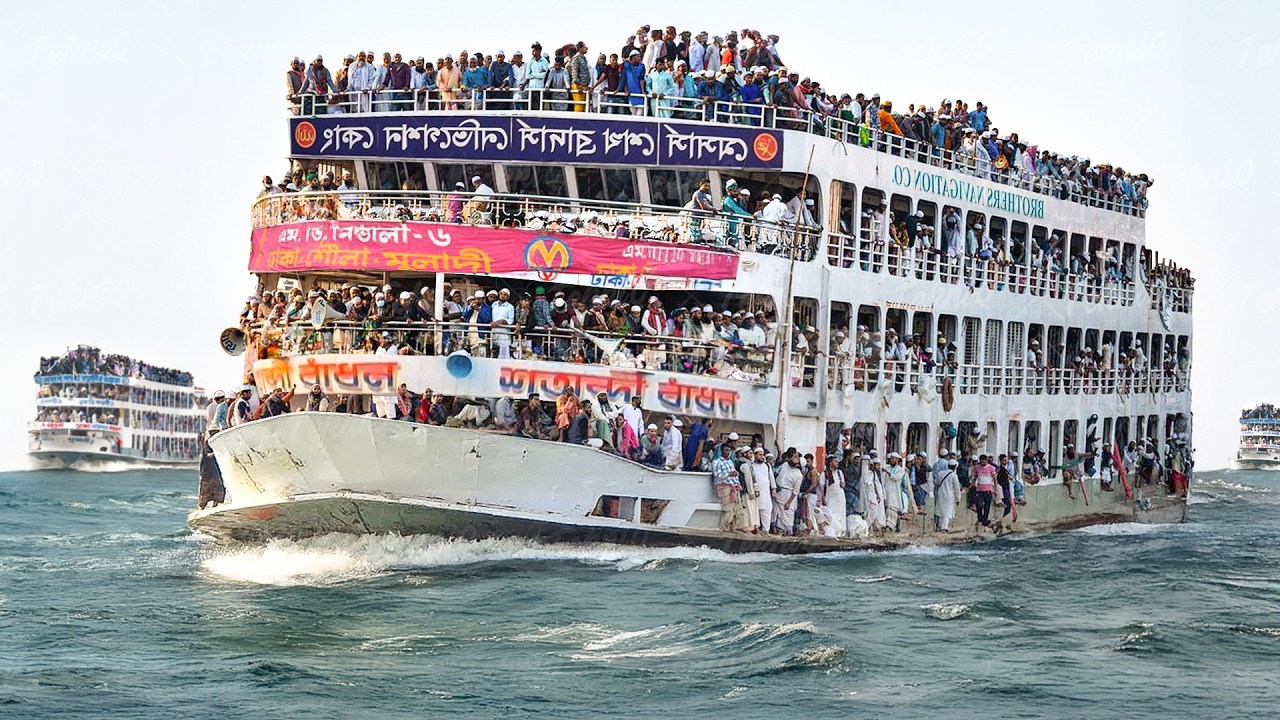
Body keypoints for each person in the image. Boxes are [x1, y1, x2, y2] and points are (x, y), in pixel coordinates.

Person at [712, 444, 746, 532]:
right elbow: (717, 475)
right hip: (724, 487)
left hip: (734, 487)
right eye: (726, 450)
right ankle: (724, 528)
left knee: (737, 509)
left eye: (729, 451)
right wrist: (729, 474)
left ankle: (733, 528)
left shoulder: (730, 461)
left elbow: (734, 475)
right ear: (721, 451)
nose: (728, 452)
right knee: (728, 509)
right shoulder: (717, 462)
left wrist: (737, 482)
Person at [773, 451, 803, 535]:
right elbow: (776, 472)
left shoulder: (798, 475)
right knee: (776, 512)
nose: (793, 458)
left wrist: (789, 502)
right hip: (778, 492)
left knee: (787, 514)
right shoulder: (785, 465)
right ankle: (776, 531)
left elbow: (795, 491)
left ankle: (788, 533)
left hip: (788, 495)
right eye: (793, 456)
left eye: (796, 458)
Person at [750, 448, 775, 533]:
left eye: (762, 454)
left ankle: (766, 530)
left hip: (766, 493)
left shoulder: (767, 465)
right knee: (756, 511)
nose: (762, 456)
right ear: (755, 455)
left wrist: (774, 489)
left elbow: (771, 477)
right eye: (760, 455)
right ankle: (755, 529)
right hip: (756, 492)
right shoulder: (751, 465)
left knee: (767, 511)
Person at [933, 458, 961, 531]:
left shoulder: (940, 473)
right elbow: (957, 488)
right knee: (947, 512)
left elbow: (936, 482)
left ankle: (939, 525)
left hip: (941, 493)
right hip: (949, 495)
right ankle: (944, 527)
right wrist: (958, 498)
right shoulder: (954, 476)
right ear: (955, 467)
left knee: (941, 510)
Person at [822, 456, 847, 537]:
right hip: (830, 498)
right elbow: (821, 488)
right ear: (830, 463)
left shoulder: (839, 472)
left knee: (841, 516)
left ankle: (840, 534)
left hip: (840, 498)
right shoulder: (825, 473)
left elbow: (843, 484)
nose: (837, 463)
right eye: (835, 461)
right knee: (830, 515)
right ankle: (831, 533)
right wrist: (823, 499)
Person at [972, 454, 997, 529]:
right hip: (979, 490)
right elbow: (975, 478)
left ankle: (984, 520)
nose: (983, 462)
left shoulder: (991, 468)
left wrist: (995, 489)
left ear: (987, 461)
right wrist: (970, 486)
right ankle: (981, 518)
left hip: (988, 490)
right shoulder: (977, 468)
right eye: (982, 461)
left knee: (987, 507)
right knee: (979, 505)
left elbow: (995, 479)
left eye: (984, 461)